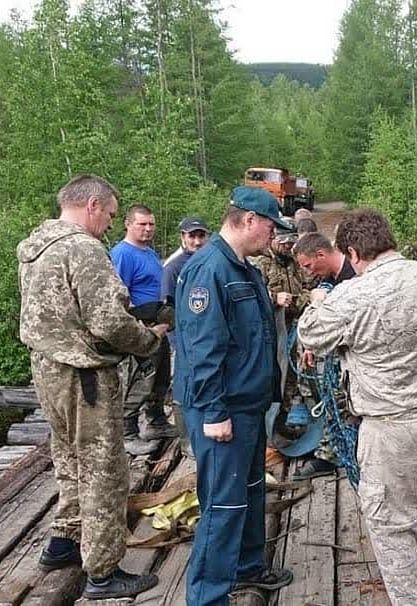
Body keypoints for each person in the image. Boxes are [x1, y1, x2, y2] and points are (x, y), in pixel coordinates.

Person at [297, 208, 417, 605]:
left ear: (354, 252)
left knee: (392, 523)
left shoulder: (351, 296)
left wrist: (318, 299)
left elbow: (311, 334)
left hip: (391, 425)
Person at [18, 174, 169, 600]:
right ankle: (103, 572)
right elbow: (108, 321)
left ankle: (63, 542)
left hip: (46, 368)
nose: (109, 223)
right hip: (85, 376)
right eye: (109, 214)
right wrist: (149, 339)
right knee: (104, 469)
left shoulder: (36, 246)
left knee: (68, 457)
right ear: (91, 205)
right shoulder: (83, 249)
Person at [174, 186, 294, 606]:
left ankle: (248, 566)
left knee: (252, 487)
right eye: (269, 225)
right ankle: (208, 596)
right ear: (247, 221)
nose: (273, 235)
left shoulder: (245, 268)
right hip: (223, 409)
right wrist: (212, 411)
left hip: (249, 404)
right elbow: (202, 347)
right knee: (223, 505)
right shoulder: (210, 271)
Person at [110, 205, 177, 455]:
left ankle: (156, 421)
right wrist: (139, 326)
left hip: (158, 325)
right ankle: (128, 432)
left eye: (151, 224)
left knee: (160, 377)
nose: (148, 229)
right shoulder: (122, 254)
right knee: (141, 379)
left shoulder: (148, 252)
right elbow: (118, 295)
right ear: (128, 224)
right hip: (141, 328)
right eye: (142, 224)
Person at [290, 232, 356, 478]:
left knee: (342, 403)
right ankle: (333, 450)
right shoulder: (331, 278)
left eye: (309, 265)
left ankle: (332, 455)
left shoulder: (354, 277)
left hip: (357, 360)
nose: (308, 272)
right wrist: (311, 344)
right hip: (337, 356)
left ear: (321, 254)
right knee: (332, 399)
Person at [161, 216, 211, 458]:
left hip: (205, 338)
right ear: (183, 237)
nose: (197, 241)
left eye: (201, 236)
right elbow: (166, 309)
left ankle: (202, 431)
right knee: (182, 390)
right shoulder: (173, 267)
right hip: (182, 340)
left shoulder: (210, 261)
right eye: (192, 236)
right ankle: (186, 440)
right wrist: (175, 344)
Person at [254, 220, 310, 402]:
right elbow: (253, 296)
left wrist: (304, 299)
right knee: (271, 371)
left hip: (292, 327)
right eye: (283, 240)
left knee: (290, 372)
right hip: (270, 330)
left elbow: (307, 286)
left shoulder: (294, 262)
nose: (288, 245)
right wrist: (274, 299)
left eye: (291, 241)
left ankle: (285, 412)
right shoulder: (261, 263)